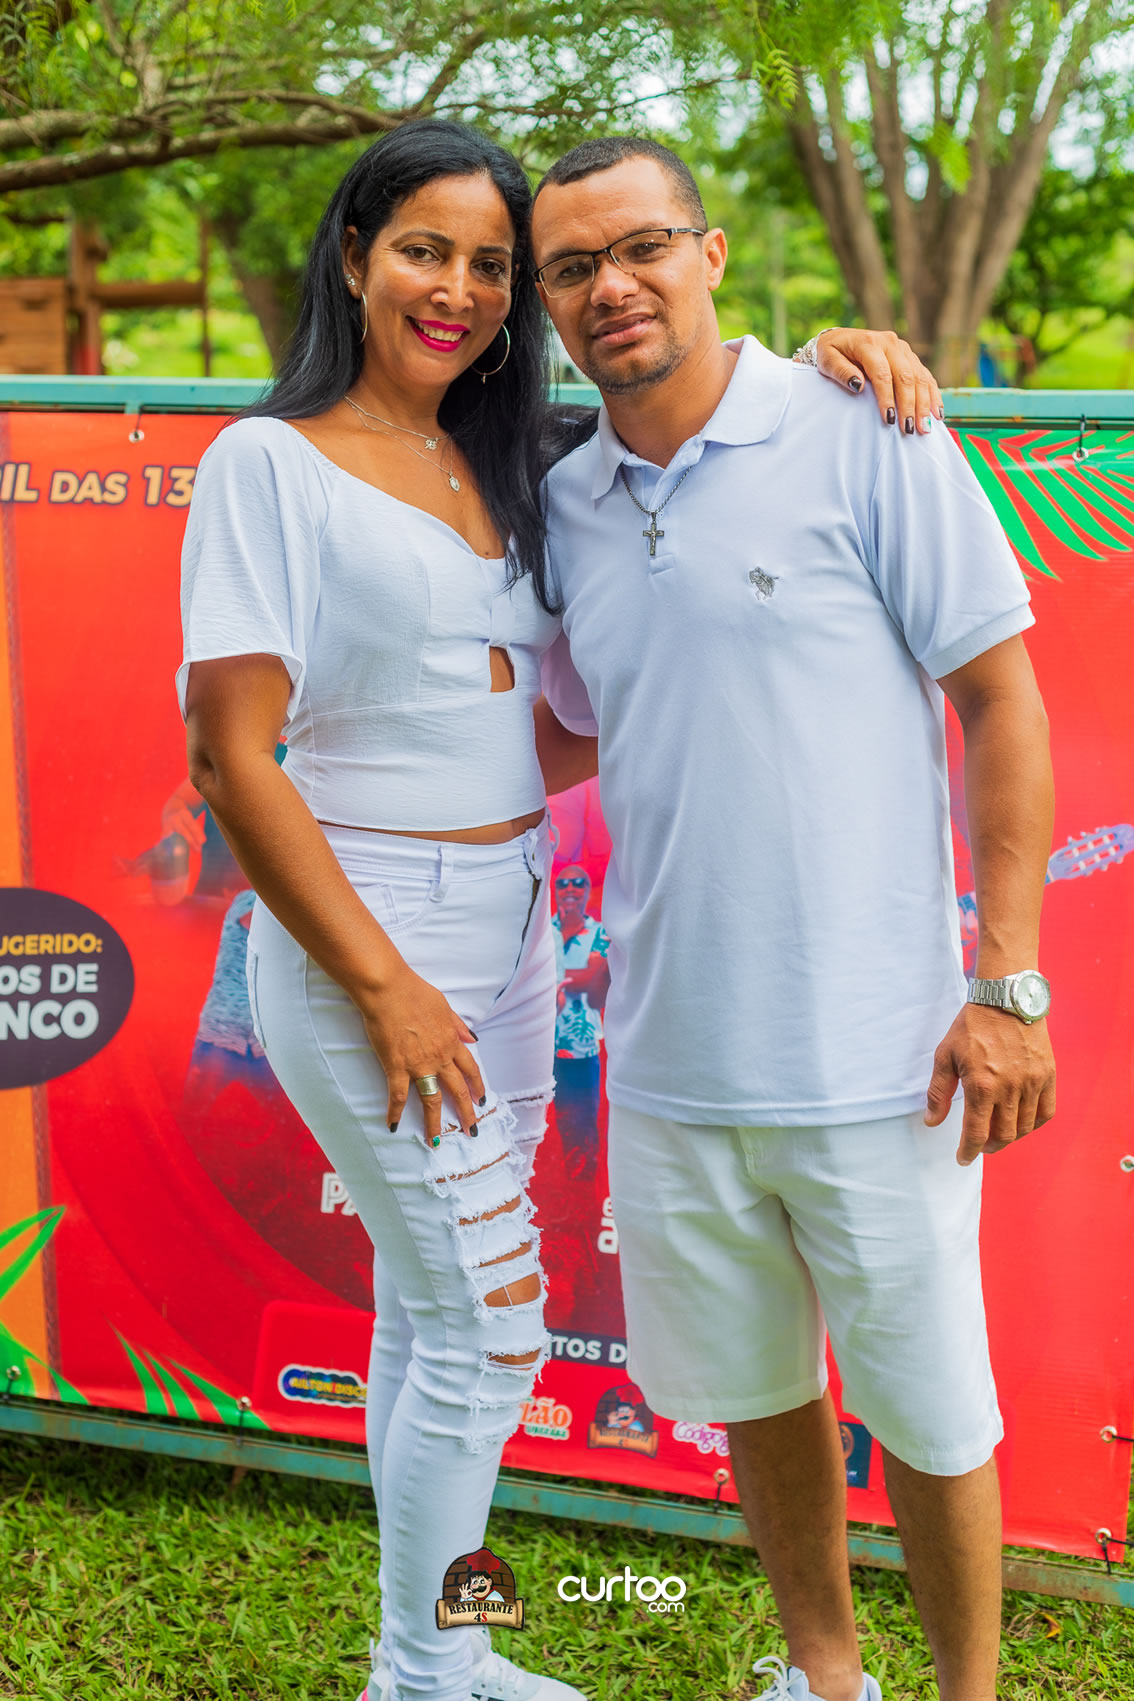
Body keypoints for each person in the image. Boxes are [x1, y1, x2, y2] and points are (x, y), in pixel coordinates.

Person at [177, 116, 944, 1701]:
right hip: (372, 937)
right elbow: (229, 757)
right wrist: (385, 986)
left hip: (513, 921)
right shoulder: (271, 462)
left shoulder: (519, 464)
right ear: (353, 257)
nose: (455, 290)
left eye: (487, 264)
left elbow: (589, 662)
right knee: (490, 1327)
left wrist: (831, 366)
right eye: (422, 251)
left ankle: (436, 1661)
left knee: (429, 1309)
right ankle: (422, 1678)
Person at [532, 137, 1056, 1701]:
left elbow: (1000, 698)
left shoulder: (861, 427)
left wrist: (1007, 982)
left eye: (640, 246)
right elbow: (563, 731)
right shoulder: (562, 501)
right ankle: (825, 1679)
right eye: (571, 267)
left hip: (880, 1063)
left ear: (706, 254)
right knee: (758, 1396)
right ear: (545, 304)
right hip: (671, 1065)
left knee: (931, 1418)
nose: (610, 286)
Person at [551, 865, 610, 1181]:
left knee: (582, 1117)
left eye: (578, 883)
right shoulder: (542, 931)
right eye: (563, 884)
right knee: (549, 1115)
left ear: (587, 890)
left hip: (580, 1045)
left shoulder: (599, 933)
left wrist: (551, 979)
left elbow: (593, 979)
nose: (570, 888)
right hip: (540, 1042)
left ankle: (582, 1183)